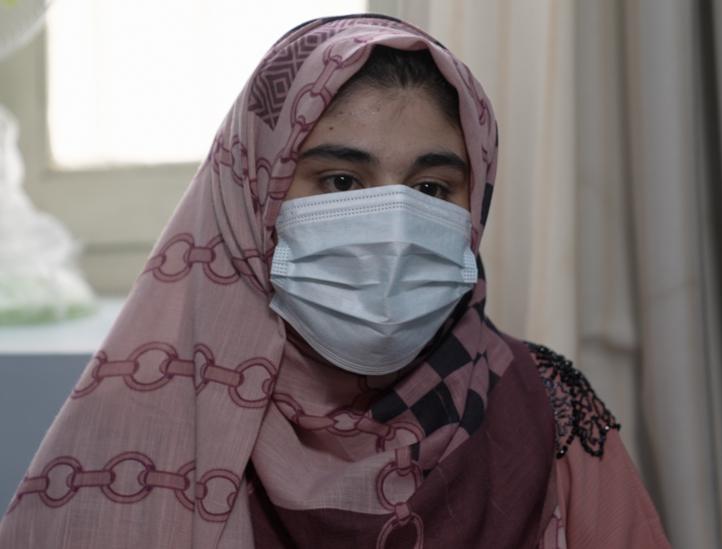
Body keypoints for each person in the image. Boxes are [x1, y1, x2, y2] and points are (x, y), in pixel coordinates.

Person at [0, 14, 670, 549]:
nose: (394, 227)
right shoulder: (153, 426)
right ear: (255, 201)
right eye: (342, 182)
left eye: (433, 187)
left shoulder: (544, 408)